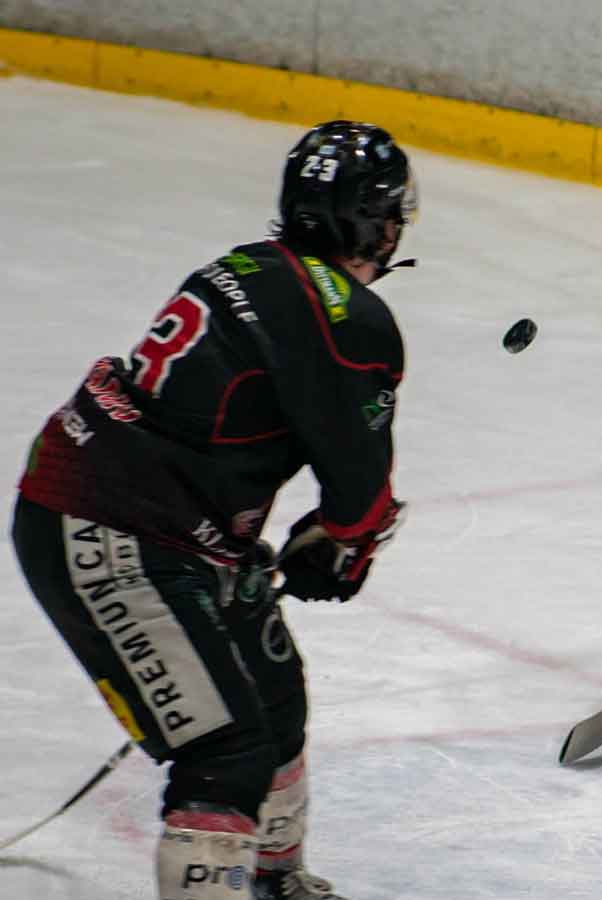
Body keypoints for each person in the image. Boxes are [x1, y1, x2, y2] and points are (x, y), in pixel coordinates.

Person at [11, 120, 416, 900]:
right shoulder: (352, 321)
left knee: (273, 698)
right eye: (391, 212)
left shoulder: (249, 264)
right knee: (226, 748)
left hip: (135, 516)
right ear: (370, 221)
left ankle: (276, 878)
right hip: (111, 528)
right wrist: (340, 547)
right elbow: (359, 498)